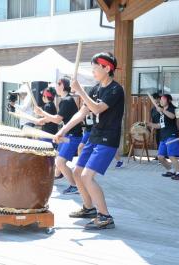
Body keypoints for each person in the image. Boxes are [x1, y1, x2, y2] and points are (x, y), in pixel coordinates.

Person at [54, 52, 124, 230]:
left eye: (95, 68)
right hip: (94, 136)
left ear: (107, 68)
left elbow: (98, 109)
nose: (92, 71)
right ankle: (88, 208)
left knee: (87, 176)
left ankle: (105, 216)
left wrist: (80, 91)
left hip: (108, 138)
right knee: (77, 173)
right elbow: (82, 113)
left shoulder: (116, 89)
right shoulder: (95, 89)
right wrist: (63, 130)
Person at [35, 77, 83, 195]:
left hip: (72, 136)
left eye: (57, 84)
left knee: (60, 162)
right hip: (68, 134)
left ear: (62, 85)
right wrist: (44, 119)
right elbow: (60, 119)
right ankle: (57, 175)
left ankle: (74, 186)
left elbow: (57, 120)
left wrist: (42, 113)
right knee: (57, 157)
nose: (56, 86)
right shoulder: (65, 100)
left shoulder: (66, 100)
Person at [147, 94, 179, 180]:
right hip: (163, 136)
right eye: (160, 99)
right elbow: (160, 125)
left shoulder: (171, 109)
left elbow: (172, 116)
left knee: (171, 155)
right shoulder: (161, 112)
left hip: (171, 135)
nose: (161, 101)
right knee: (160, 157)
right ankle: (171, 170)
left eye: (163, 99)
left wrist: (162, 111)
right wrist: (149, 124)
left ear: (169, 101)